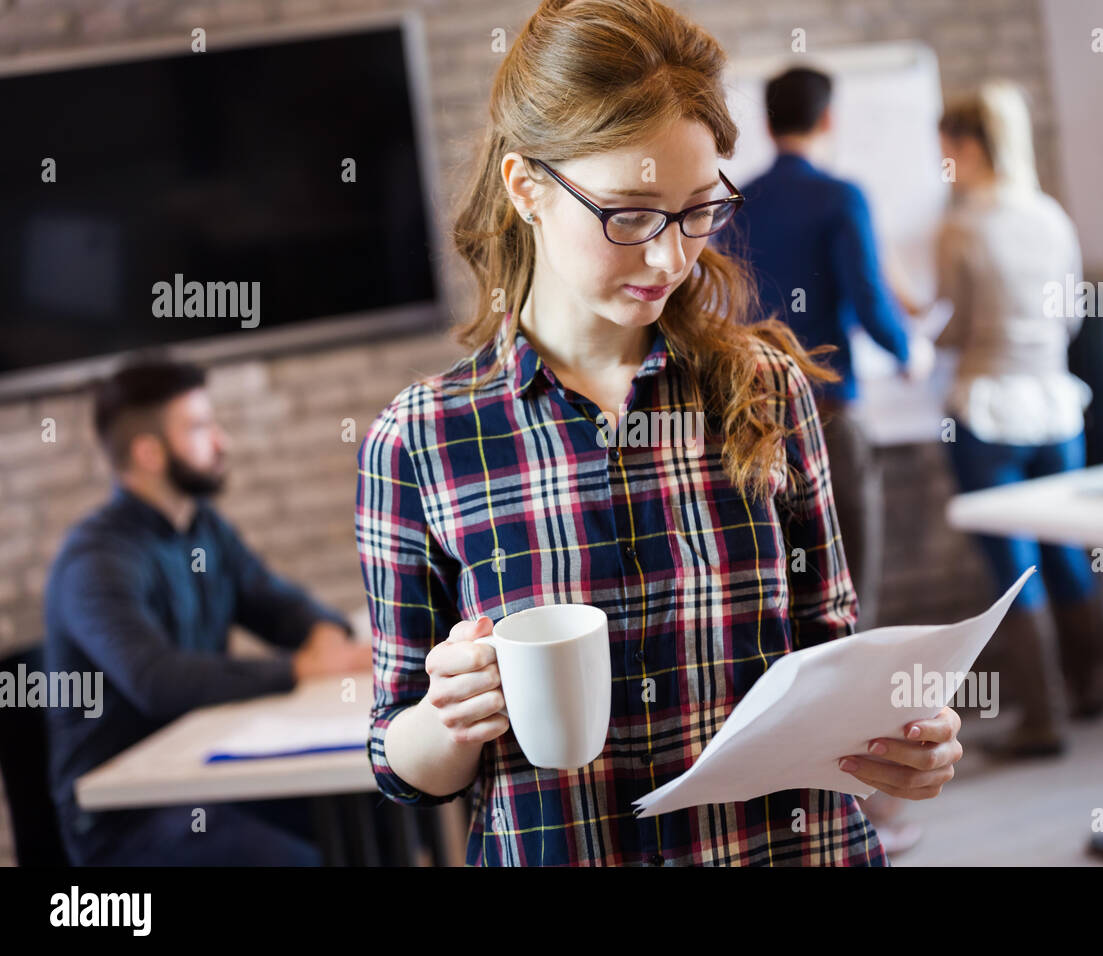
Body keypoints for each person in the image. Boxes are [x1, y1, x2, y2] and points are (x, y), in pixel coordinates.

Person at [356, 0, 963, 867]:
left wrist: (906, 740)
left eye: (698, 210)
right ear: (527, 187)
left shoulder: (767, 391)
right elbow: (402, 766)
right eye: (631, 214)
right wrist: (445, 718)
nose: (670, 258)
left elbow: (834, 660)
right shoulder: (420, 441)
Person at [44, 358, 371, 865]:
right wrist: (303, 666)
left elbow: (279, 605)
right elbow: (158, 680)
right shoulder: (96, 561)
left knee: (374, 809)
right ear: (148, 452)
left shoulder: (203, 529)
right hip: (128, 818)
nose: (222, 442)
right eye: (199, 428)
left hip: (211, 776)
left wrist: (323, 633)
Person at [731, 65, 935, 857]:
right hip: (825, 419)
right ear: (829, 118)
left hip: (747, 422)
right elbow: (867, 297)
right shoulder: (839, 195)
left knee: (780, 616)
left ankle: (796, 804)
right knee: (851, 611)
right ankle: (870, 811)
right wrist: (907, 354)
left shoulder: (737, 199)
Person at [933, 81, 1103, 758]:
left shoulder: (960, 227)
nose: (943, 165)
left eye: (945, 151)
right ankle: (1092, 686)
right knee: (1066, 547)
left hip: (989, 410)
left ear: (969, 147)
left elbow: (954, 329)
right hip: (1056, 407)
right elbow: (1068, 316)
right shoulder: (1051, 216)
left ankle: (1044, 720)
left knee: (1013, 572)